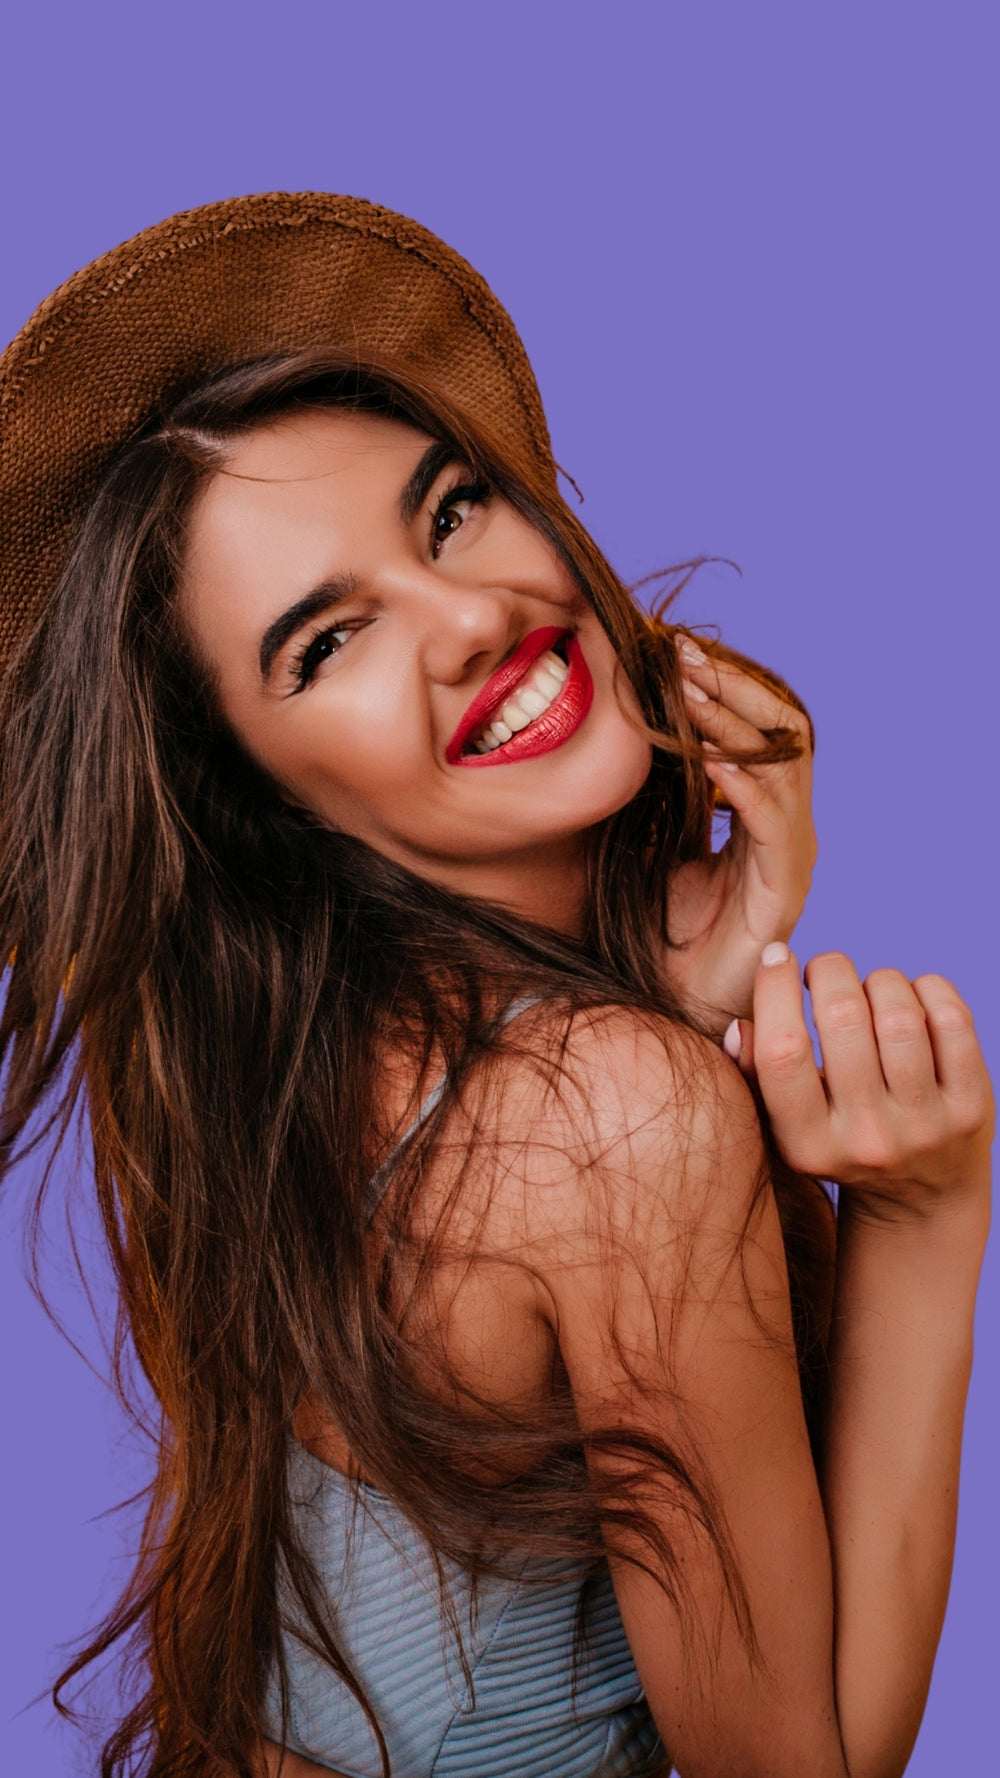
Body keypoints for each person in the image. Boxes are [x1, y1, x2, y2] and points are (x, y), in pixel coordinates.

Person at [0, 193, 991, 1778]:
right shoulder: (611, 1121)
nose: (474, 618)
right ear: (254, 800)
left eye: (450, 512)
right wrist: (925, 1219)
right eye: (328, 644)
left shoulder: (283, 1072)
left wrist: (670, 989)